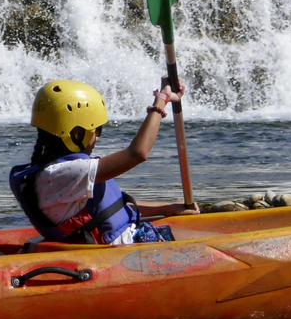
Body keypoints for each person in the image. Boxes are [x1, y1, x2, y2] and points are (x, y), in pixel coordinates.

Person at [10, 78, 199, 246]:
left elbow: (111, 209)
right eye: (96, 131)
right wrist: (161, 99)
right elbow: (137, 154)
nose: (97, 138)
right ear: (76, 134)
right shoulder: (64, 174)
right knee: (203, 241)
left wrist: (167, 207)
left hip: (122, 238)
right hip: (124, 248)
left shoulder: (54, 173)